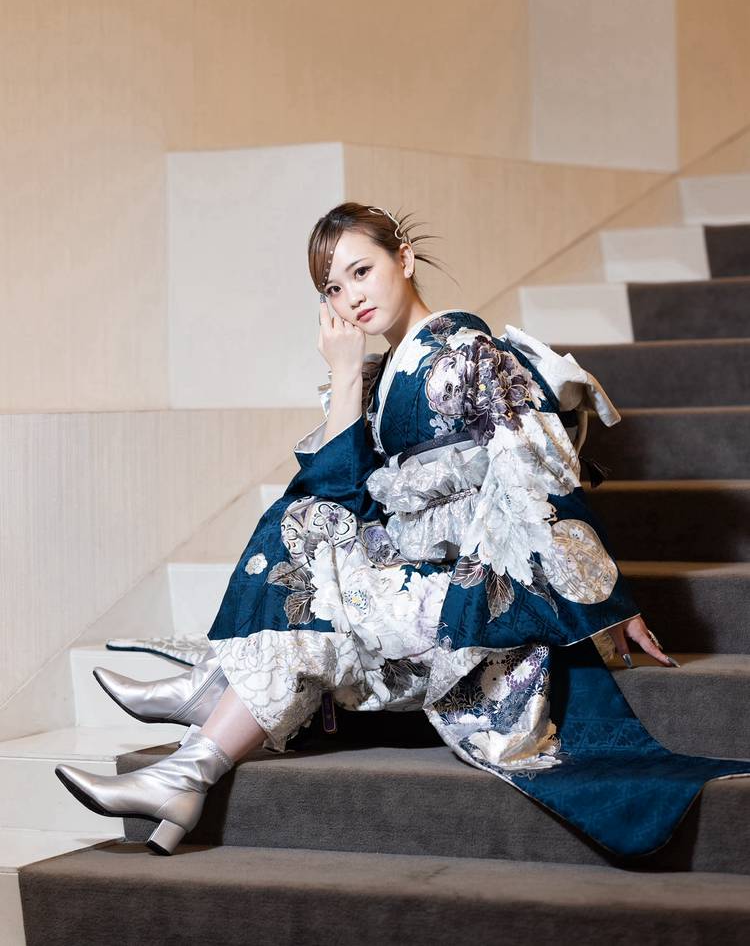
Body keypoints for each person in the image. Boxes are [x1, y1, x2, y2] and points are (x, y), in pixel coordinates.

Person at [56, 202, 750, 857]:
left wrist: (608, 601)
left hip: (473, 588)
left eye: (362, 271)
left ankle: (205, 708)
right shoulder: (379, 374)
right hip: (410, 568)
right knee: (304, 527)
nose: (351, 298)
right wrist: (344, 377)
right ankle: (188, 765)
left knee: (309, 555)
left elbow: (538, 475)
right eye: (333, 289)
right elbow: (334, 491)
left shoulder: (470, 352)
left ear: (406, 258)